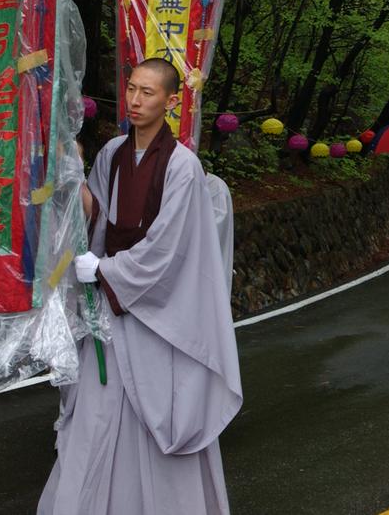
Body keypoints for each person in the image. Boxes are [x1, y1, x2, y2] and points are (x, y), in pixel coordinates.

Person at [39, 58, 243, 515]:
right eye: (131, 88)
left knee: (156, 420)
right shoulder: (112, 153)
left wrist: (108, 271)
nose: (134, 99)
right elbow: (97, 216)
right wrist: (71, 172)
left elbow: (169, 248)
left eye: (147, 92)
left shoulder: (183, 167)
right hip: (111, 310)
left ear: (171, 101)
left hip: (156, 315)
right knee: (93, 417)